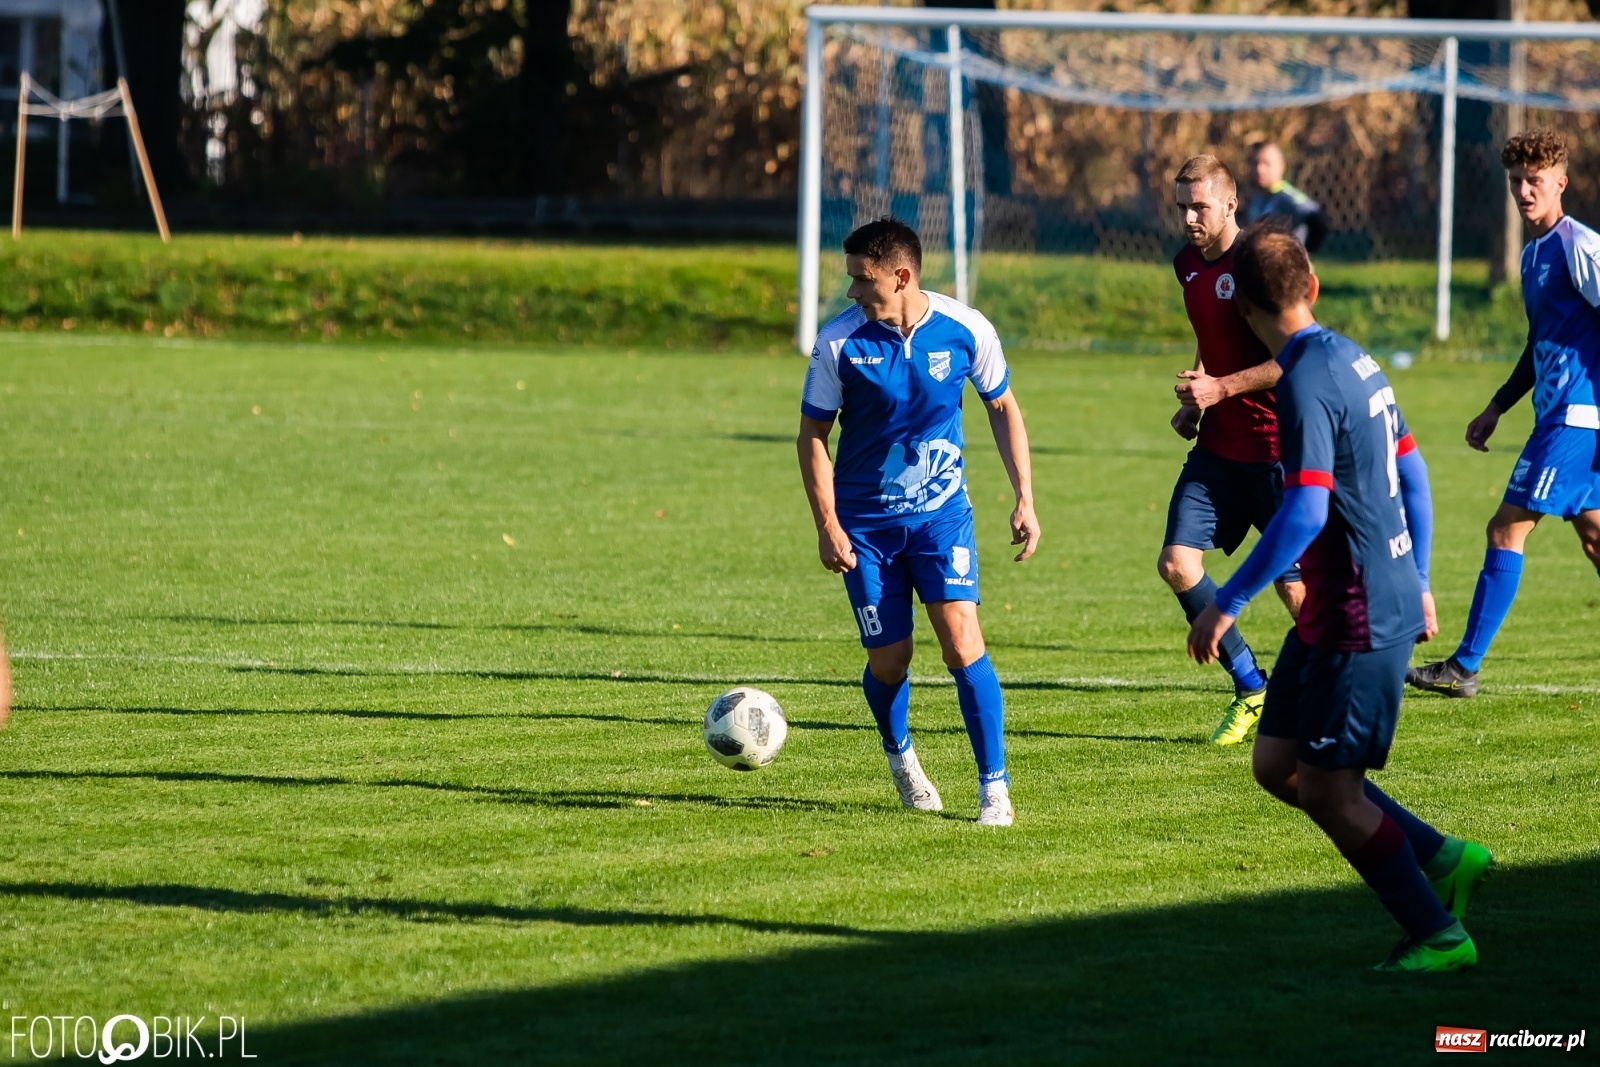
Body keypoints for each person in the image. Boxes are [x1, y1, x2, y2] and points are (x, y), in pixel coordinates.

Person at [1188, 223, 1492, 973]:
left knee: (1329, 787)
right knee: (1277, 763)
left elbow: (1305, 510)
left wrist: (1227, 598)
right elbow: (1415, 474)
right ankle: (1445, 856)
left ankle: (1438, 933)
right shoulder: (1354, 357)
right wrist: (1420, 574)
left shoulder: (1303, 381)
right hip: (1345, 595)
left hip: (1357, 604)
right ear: (1313, 287)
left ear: (1242, 315)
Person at [797, 216, 1040, 826]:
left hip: (941, 518)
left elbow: (1003, 407)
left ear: (901, 276)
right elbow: (813, 435)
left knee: (962, 641)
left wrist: (1024, 496)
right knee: (891, 660)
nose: (852, 291)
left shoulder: (965, 330)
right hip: (866, 529)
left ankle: (994, 787)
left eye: (862, 279)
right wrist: (827, 523)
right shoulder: (838, 343)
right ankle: (900, 754)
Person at [1408, 129, 1600, 698]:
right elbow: (1538, 345)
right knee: (1594, 534)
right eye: (1516, 181)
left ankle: (1464, 667)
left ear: (1560, 182)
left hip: (1577, 418)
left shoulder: (1578, 246)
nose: (1523, 191)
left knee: (1504, 528)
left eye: (1534, 181)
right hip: (1557, 417)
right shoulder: (1533, 253)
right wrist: (1496, 408)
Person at [1164, 154, 1306, 746]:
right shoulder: (1186, 265)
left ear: (1230, 203)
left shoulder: (1261, 265)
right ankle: (1251, 686)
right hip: (1220, 452)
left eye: (1200, 206)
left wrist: (1221, 387)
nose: (1190, 219)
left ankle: (1340, 696)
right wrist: (1198, 400)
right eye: (1182, 208)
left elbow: (1299, 355)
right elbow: (1210, 334)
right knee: (1177, 564)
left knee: (1298, 593)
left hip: (1277, 455)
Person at [1241, 142, 1329, 253]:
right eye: (1255, 163)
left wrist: (1304, 254)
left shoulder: (1288, 198)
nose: (1260, 169)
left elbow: (1319, 220)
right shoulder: (1255, 199)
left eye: (1266, 164)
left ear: (1281, 166)